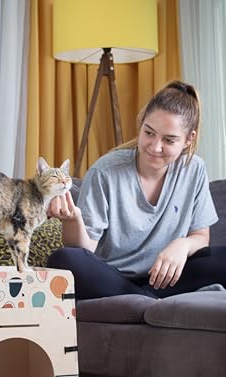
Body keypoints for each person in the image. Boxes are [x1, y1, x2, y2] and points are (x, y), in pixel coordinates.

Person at [47, 80, 226, 300]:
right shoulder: (105, 172)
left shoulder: (194, 168)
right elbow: (85, 249)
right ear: (141, 123)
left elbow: (201, 237)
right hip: (113, 278)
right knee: (64, 260)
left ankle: (141, 300)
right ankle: (146, 299)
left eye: (169, 140)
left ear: (189, 139)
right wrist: (72, 220)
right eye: (149, 133)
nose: (155, 146)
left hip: (168, 279)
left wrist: (182, 245)